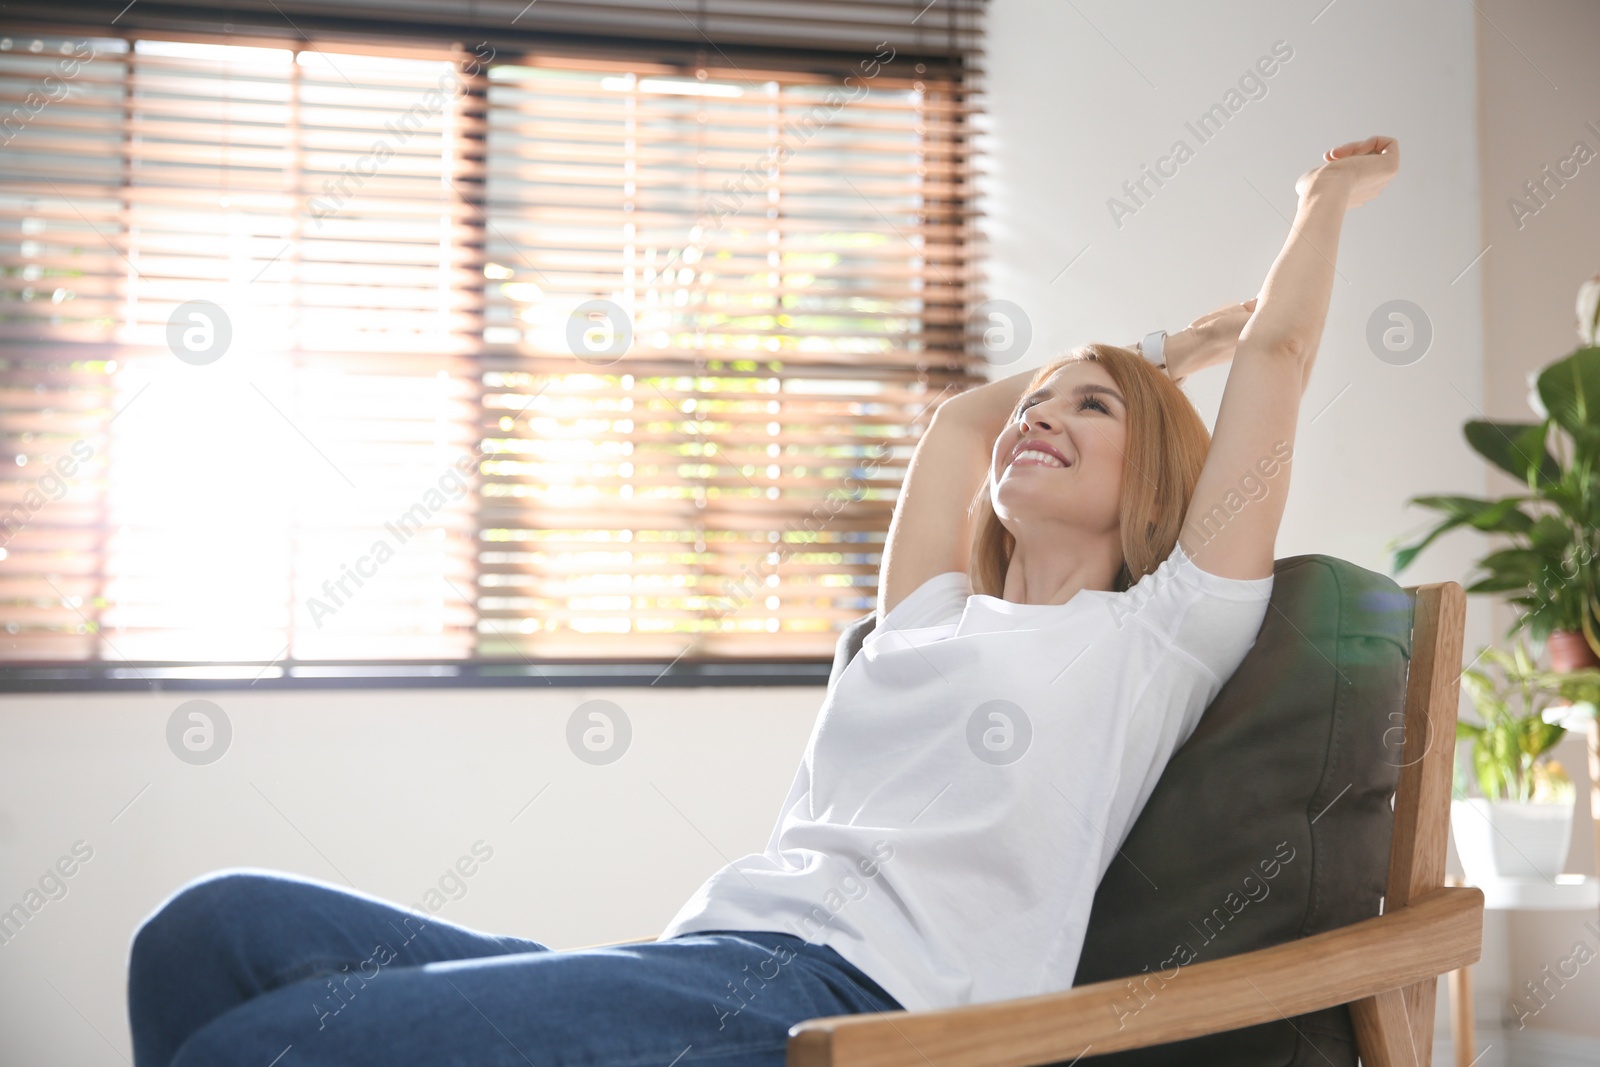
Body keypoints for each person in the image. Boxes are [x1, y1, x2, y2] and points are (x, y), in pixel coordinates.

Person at [126, 135, 1399, 1066]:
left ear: (1156, 483)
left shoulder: (1158, 635)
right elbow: (962, 416)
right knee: (206, 932)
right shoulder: (927, 621)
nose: (1037, 416)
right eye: (1040, 397)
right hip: (708, 957)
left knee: (268, 1047)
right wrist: (1145, 349)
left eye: (1090, 407)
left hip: (854, 1002)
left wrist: (1319, 202)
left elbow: (1279, 360)